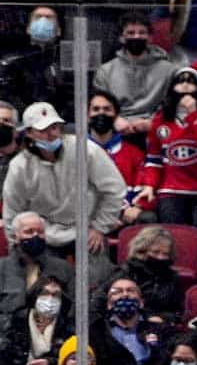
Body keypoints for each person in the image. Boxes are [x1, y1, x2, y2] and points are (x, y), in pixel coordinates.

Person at [4, 101, 127, 255]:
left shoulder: (87, 150)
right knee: (41, 274)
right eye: (42, 130)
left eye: (54, 127)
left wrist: (100, 228)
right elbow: (12, 211)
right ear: (29, 133)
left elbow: (115, 190)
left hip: (89, 232)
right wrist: (14, 245)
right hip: (45, 236)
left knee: (97, 274)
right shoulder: (19, 165)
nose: (51, 134)